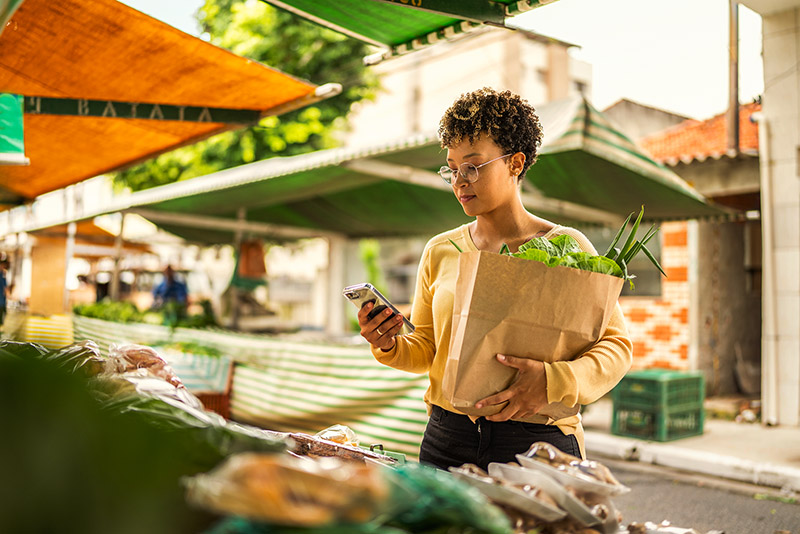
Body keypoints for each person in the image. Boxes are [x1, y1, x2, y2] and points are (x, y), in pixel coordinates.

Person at [357, 88, 632, 470]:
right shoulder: (440, 250)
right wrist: (387, 343)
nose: (459, 181)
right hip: (446, 439)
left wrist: (555, 379)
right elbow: (425, 349)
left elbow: (616, 348)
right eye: (451, 169)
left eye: (472, 166)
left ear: (516, 163)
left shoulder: (568, 246)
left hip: (539, 442)